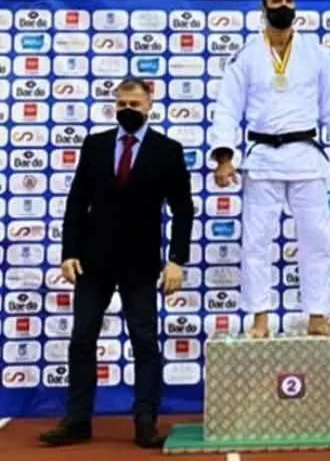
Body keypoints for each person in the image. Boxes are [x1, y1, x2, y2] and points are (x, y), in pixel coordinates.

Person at [39, 78, 193, 449]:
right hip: (93, 261)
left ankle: (145, 422)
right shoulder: (95, 145)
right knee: (82, 340)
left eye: (134, 104)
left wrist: (176, 260)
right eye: (121, 104)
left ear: (149, 104)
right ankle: (76, 420)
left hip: (141, 263)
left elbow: (183, 208)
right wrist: (68, 253)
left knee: (144, 341)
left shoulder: (167, 150)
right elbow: (77, 202)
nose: (127, 110)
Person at [209, 0, 330, 338]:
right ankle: (260, 318)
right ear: (263, 8)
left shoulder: (316, 53)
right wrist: (225, 157)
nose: (283, 5)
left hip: (305, 155)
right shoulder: (245, 55)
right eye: (276, 0)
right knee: (257, 241)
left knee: (317, 239)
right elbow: (227, 108)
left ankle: (317, 317)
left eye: (289, 0)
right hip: (262, 160)